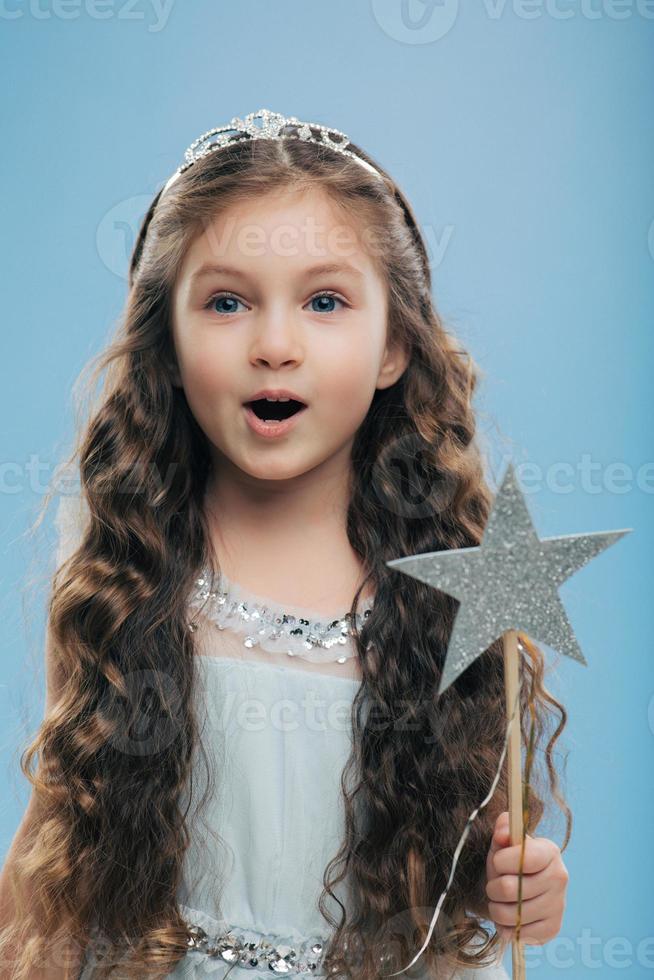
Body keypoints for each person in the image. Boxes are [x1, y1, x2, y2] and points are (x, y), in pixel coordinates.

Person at [0, 108, 570, 979]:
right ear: (169, 340)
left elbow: (470, 881)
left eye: (325, 301)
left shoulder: (451, 602)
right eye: (226, 302)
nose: (275, 345)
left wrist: (522, 890)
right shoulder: (127, 578)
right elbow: (52, 871)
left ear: (394, 347)